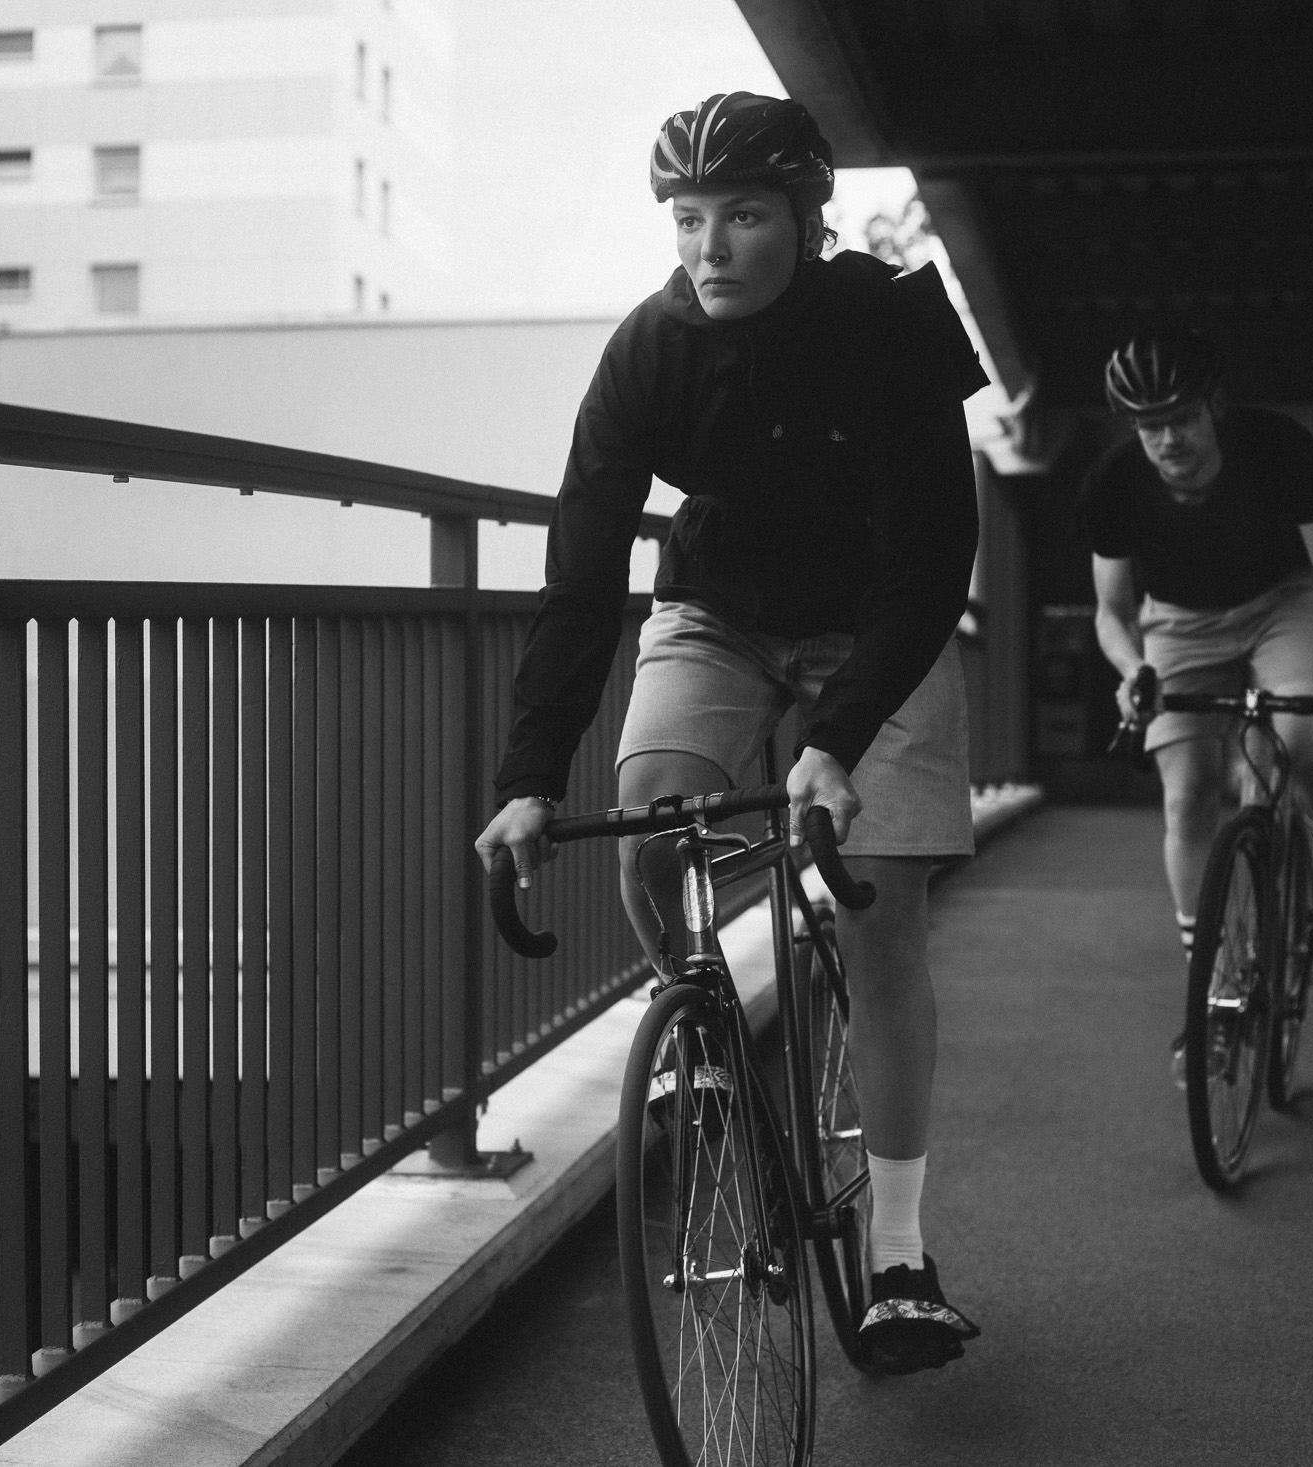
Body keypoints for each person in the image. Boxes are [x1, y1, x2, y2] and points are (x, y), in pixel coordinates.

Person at [472, 92, 987, 1374]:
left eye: (743, 216)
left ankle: (899, 1259)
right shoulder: (649, 349)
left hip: (881, 620)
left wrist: (838, 739)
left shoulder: (892, 322)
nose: (710, 247)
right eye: (687, 219)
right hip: (719, 610)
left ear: (807, 220)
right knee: (653, 828)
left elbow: (936, 560)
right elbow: (582, 575)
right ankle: (699, 1038)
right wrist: (530, 777)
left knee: (879, 912)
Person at [1082, 331, 1313, 1083]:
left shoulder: (1278, 448)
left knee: (1307, 740)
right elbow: (1112, 610)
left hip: (1283, 604)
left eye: (1181, 418)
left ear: (1213, 406)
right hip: (1178, 623)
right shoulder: (1115, 482)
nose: (1167, 440)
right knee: (1187, 796)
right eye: (1148, 425)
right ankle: (1215, 994)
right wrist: (1132, 670)